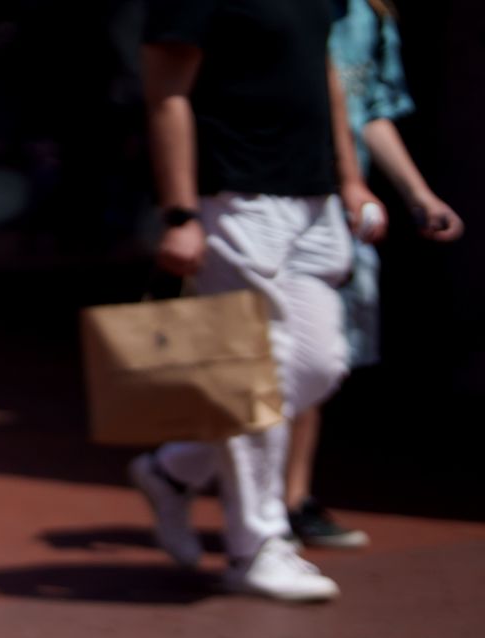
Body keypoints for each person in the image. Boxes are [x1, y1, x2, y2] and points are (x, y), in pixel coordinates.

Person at [129, 0, 379, 602]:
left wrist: (349, 178)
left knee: (319, 365)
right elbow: (166, 94)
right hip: (235, 197)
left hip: (313, 197)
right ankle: (256, 547)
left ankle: (175, 467)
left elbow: (324, 74)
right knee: (252, 376)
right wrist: (182, 213)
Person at [285, 0, 465, 548]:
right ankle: (248, 492)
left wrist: (417, 193)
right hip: (290, 200)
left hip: (347, 212)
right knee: (293, 357)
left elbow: (368, 111)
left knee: (322, 361)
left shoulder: (371, 16)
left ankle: (290, 498)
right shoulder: (287, 11)